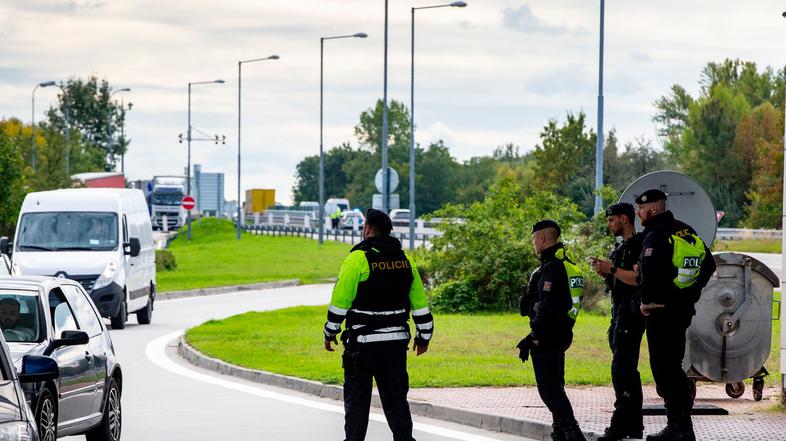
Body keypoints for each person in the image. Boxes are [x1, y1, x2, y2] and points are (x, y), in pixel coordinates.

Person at [323, 208, 433, 441]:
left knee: (357, 403)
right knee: (396, 402)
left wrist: (330, 332)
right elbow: (420, 305)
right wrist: (424, 337)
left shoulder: (357, 259)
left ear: (367, 229)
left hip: (362, 347)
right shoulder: (405, 261)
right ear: (389, 231)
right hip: (395, 345)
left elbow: (340, 302)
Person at [635, 189, 715, 441]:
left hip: (662, 314)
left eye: (642, 209)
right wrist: (689, 294)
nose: (638, 213)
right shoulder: (684, 230)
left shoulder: (656, 234)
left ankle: (678, 428)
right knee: (672, 367)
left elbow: (649, 274)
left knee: (665, 370)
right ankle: (680, 427)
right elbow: (709, 264)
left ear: (654, 209)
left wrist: (649, 302)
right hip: (680, 311)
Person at [519, 220, 586, 441]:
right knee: (556, 386)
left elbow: (546, 307)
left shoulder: (551, 269)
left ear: (541, 238)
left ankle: (573, 433)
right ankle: (560, 433)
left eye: (533, 239)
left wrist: (534, 335)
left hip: (548, 336)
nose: (533, 243)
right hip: (562, 333)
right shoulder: (563, 263)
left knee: (549, 389)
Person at [590, 203, 645, 441]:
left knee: (621, 369)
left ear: (624, 219)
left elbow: (637, 278)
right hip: (620, 312)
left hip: (631, 315)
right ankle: (634, 424)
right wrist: (605, 272)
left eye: (612, 220)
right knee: (627, 371)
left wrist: (611, 269)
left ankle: (620, 424)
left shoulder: (639, 245)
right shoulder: (622, 247)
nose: (609, 225)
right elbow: (619, 279)